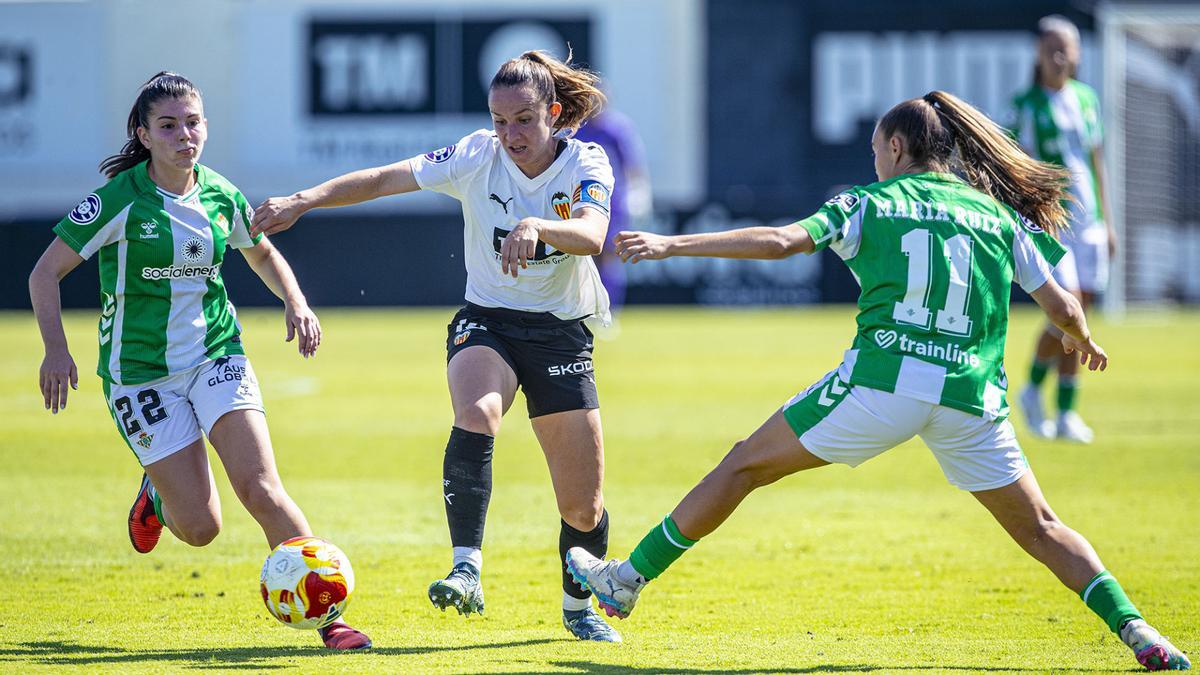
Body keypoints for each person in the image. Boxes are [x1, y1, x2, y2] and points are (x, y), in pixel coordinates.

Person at [567, 91, 1189, 671]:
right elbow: (1065, 308)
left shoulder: (869, 202)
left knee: (742, 466)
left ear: (895, 148)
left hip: (882, 386)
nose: (875, 159)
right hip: (971, 399)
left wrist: (672, 244)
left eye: (875, 149)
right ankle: (1141, 633)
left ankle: (626, 580)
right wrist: (1082, 340)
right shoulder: (998, 215)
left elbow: (784, 241)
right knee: (1042, 528)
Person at [250, 50, 623, 642]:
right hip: (488, 322)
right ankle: (466, 566)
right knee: (476, 412)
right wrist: (304, 200)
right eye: (500, 121)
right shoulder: (477, 153)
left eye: (524, 120)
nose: (511, 134)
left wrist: (538, 226)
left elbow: (592, 234)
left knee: (583, 507)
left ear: (553, 113)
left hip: (559, 329)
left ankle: (578, 608)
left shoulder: (587, 161)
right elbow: (382, 179)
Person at [28, 72, 371, 650]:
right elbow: (45, 272)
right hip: (140, 375)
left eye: (193, 122)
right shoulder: (117, 200)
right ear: (144, 133)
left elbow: (262, 253)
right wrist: (56, 349)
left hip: (217, 353)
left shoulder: (219, 193)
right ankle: (160, 497)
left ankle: (329, 619)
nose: (184, 135)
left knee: (261, 488)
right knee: (201, 529)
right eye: (168, 125)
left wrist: (296, 301)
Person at [1011, 15, 1116, 443]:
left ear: (1077, 53)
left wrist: (1108, 221)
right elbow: (1015, 165)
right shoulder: (1025, 106)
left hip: (1089, 223)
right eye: (1052, 46)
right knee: (1066, 309)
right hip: (1054, 223)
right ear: (1038, 53)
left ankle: (1066, 412)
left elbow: (1096, 162)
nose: (1060, 55)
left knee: (1081, 315)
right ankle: (1035, 390)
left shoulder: (1087, 99)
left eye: (1067, 47)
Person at [573, 105, 653, 317]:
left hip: (613, 200)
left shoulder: (616, 129)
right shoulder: (578, 129)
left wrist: (639, 193)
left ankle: (609, 309)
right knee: (583, 257)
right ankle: (584, 310)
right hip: (581, 198)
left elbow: (632, 165)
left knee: (609, 256)